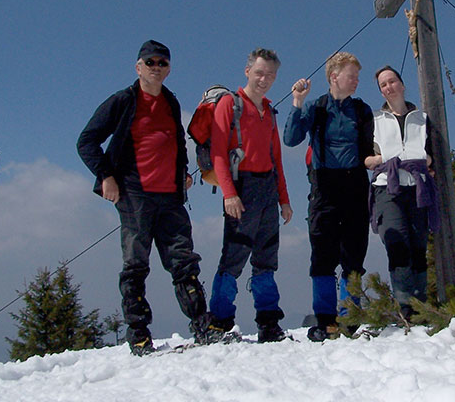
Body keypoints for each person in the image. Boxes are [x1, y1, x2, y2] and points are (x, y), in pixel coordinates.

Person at [76, 40, 208, 355]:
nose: (157, 67)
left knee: (184, 261)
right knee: (136, 264)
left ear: (169, 67)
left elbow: (174, 141)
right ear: (138, 67)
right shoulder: (123, 101)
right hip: (135, 193)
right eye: (150, 62)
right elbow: (87, 141)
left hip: (170, 195)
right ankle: (138, 334)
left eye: (162, 62)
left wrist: (183, 174)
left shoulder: (171, 102)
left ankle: (202, 326)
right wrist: (106, 176)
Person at [283, 51, 374, 341]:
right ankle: (325, 320)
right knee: (322, 256)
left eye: (357, 76)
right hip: (323, 187)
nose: (357, 80)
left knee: (353, 255)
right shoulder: (316, 107)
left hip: (356, 186)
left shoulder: (362, 111)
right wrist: (297, 102)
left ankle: (350, 319)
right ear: (334, 77)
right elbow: (291, 138)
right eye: (352, 75)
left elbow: (369, 150)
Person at [206, 48, 293, 343]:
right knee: (234, 257)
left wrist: (284, 199)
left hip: (267, 188)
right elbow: (218, 152)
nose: (264, 79)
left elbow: (276, 157)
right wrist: (229, 194)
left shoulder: (269, 110)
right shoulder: (230, 104)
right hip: (241, 187)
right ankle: (218, 322)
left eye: (270, 74)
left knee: (266, 259)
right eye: (259, 73)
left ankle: (268, 322)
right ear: (247, 72)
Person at [364, 66, 439, 319]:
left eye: (392, 81)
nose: (388, 87)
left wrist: (427, 161)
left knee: (418, 246)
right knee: (397, 244)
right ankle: (406, 307)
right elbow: (363, 156)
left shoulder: (422, 118)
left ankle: (422, 307)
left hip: (417, 186)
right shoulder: (375, 120)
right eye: (383, 85)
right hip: (388, 186)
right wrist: (379, 160)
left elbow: (433, 153)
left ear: (402, 84)